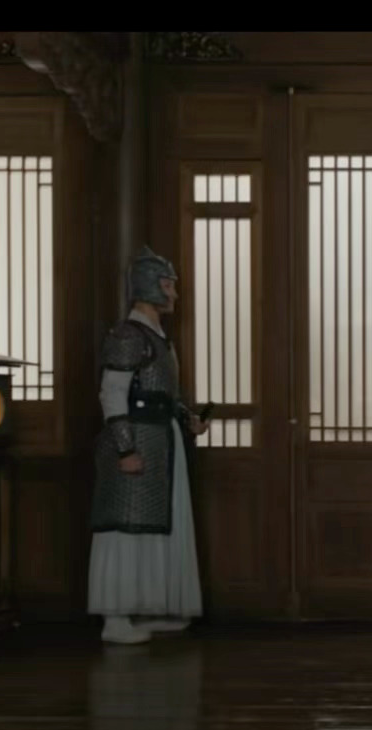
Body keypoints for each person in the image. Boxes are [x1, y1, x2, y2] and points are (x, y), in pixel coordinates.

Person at [88, 246, 209, 645]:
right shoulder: (128, 334)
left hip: (162, 442)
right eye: (168, 285)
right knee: (126, 528)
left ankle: (149, 608)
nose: (174, 293)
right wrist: (125, 450)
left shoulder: (158, 338)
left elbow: (161, 394)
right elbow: (112, 394)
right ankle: (115, 618)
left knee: (157, 527)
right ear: (148, 286)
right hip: (136, 441)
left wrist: (188, 417)